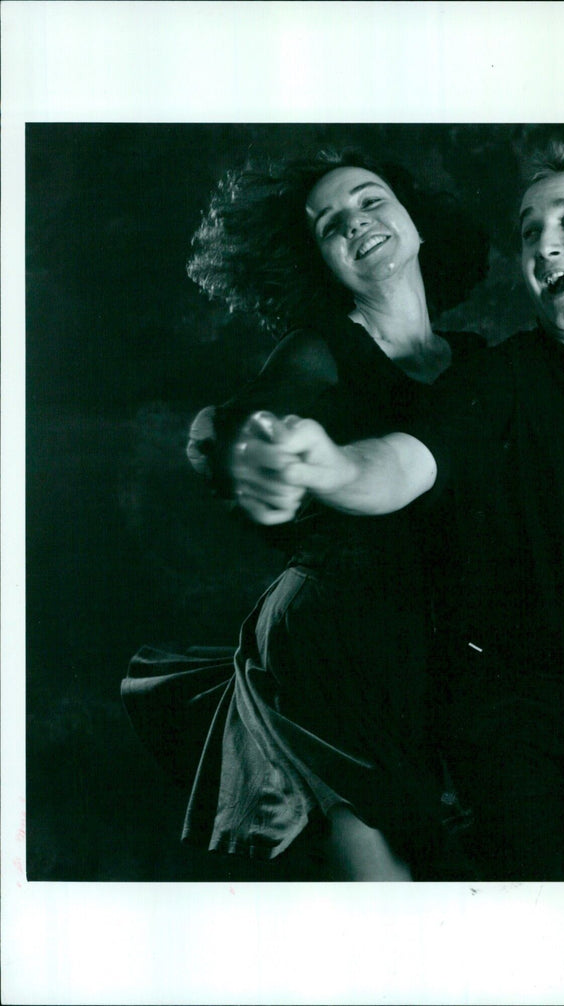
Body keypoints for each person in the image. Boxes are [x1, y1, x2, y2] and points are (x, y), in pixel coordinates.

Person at [238, 141, 564, 880]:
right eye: (529, 230)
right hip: (446, 683)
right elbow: (400, 462)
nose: (545, 241)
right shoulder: (493, 380)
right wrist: (323, 464)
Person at [122, 148, 489, 880]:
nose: (357, 222)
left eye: (370, 200)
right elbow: (238, 423)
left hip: (434, 645)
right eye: (330, 225)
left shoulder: (478, 362)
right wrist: (252, 453)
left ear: (416, 221)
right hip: (335, 640)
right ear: (323, 261)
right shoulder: (319, 353)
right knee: (386, 891)